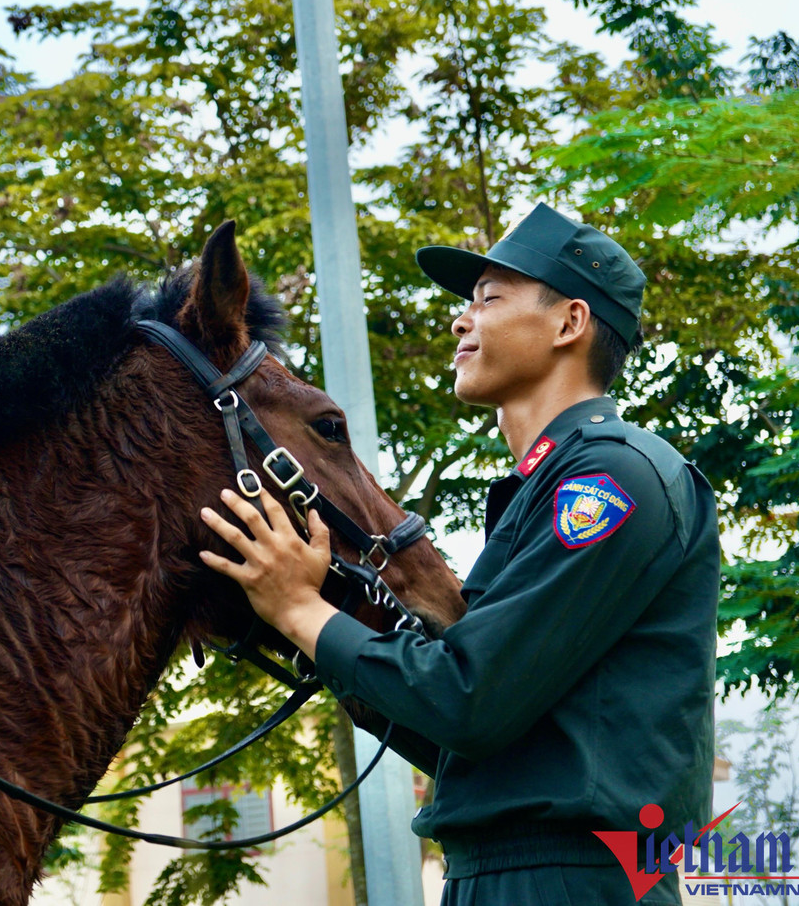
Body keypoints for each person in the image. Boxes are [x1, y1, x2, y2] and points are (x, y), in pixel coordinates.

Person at [198, 203, 719, 905]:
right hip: (496, 874)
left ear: (570, 323)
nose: (460, 320)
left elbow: (470, 700)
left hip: (569, 880)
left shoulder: (610, 479)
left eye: (489, 299)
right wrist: (310, 618)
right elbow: (461, 741)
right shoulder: (548, 486)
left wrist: (300, 611)